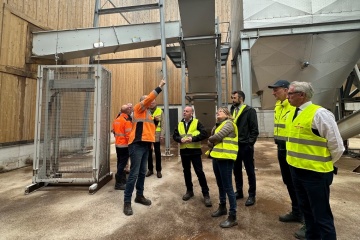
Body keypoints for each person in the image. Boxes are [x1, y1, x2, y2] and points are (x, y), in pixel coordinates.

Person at [286, 81, 344, 240]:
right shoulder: (294, 113)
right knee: (308, 213)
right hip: (296, 171)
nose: (287, 96)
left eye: (290, 93)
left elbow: (337, 146)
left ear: (301, 95)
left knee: (321, 216)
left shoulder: (320, 114)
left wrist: (325, 163)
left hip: (315, 174)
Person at [123, 79, 166, 216]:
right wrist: (159, 87)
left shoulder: (148, 113)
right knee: (134, 174)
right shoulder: (139, 108)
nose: (150, 101)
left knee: (142, 173)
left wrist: (152, 144)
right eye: (147, 100)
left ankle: (139, 195)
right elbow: (149, 98)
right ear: (143, 102)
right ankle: (127, 201)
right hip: (136, 144)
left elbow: (149, 131)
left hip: (146, 145)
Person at [173, 105, 212, 207]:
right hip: (184, 152)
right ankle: (189, 191)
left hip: (195, 151)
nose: (184, 112)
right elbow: (175, 136)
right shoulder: (180, 123)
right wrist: (179, 140)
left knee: (199, 172)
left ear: (191, 113)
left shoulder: (197, 122)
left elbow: (204, 134)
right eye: (184, 111)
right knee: (186, 172)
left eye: (187, 111)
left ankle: (206, 194)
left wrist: (193, 139)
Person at [207, 107, 238, 228]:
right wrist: (212, 140)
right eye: (217, 111)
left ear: (227, 115)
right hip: (217, 157)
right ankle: (222, 207)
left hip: (226, 158)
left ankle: (233, 216)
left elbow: (215, 138)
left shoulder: (229, 124)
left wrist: (212, 139)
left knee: (228, 187)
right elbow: (211, 141)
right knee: (220, 184)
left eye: (221, 111)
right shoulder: (217, 125)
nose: (217, 112)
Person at [230, 90, 259, 206]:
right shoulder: (232, 110)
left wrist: (249, 143)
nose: (232, 100)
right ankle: (239, 191)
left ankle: (252, 195)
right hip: (234, 145)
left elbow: (254, 130)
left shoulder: (250, 111)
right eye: (232, 97)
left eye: (234, 98)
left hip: (245, 146)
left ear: (241, 98)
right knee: (236, 170)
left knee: (250, 171)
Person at [112, 104, 133, 190]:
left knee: (120, 162)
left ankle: (123, 180)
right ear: (127, 111)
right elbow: (129, 135)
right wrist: (131, 144)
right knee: (123, 164)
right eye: (129, 109)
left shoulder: (116, 120)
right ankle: (118, 183)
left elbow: (114, 131)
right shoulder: (126, 121)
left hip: (118, 145)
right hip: (125, 146)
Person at [146, 100, 165, 178]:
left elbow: (163, 124)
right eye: (150, 103)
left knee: (157, 153)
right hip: (148, 135)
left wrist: (162, 135)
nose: (151, 104)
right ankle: (150, 169)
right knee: (149, 153)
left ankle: (158, 170)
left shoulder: (160, 111)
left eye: (153, 103)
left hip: (157, 135)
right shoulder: (146, 111)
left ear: (156, 103)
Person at [124, 103, 133, 174]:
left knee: (132, 155)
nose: (129, 109)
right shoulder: (123, 116)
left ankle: (131, 168)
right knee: (125, 156)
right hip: (124, 140)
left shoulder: (133, 115)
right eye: (128, 107)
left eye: (130, 107)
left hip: (131, 139)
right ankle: (126, 168)